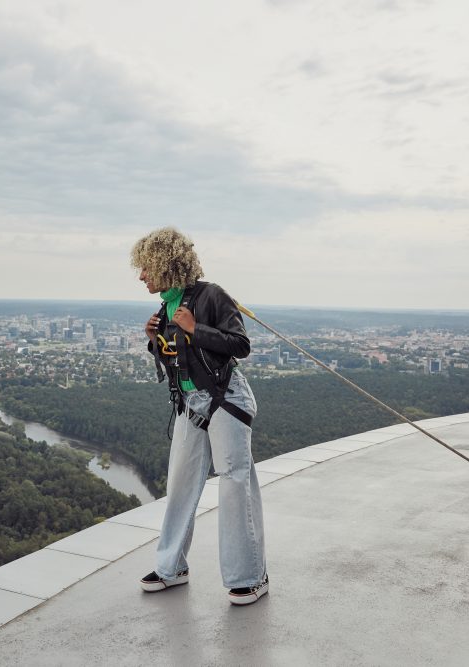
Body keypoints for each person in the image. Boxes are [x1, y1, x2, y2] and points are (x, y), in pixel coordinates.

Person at [130, 227, 268, 606]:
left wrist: (195, 328)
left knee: (233, 481)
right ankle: (171, 567)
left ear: (165, 263)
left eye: (145, 267)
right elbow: (179, 359)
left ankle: (250, 577)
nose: (141, 275)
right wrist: (154, 340)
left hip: (226, 399)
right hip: (191, 404)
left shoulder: (212, 296)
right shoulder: (167, 307)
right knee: (181, 483)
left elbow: (240, 345)